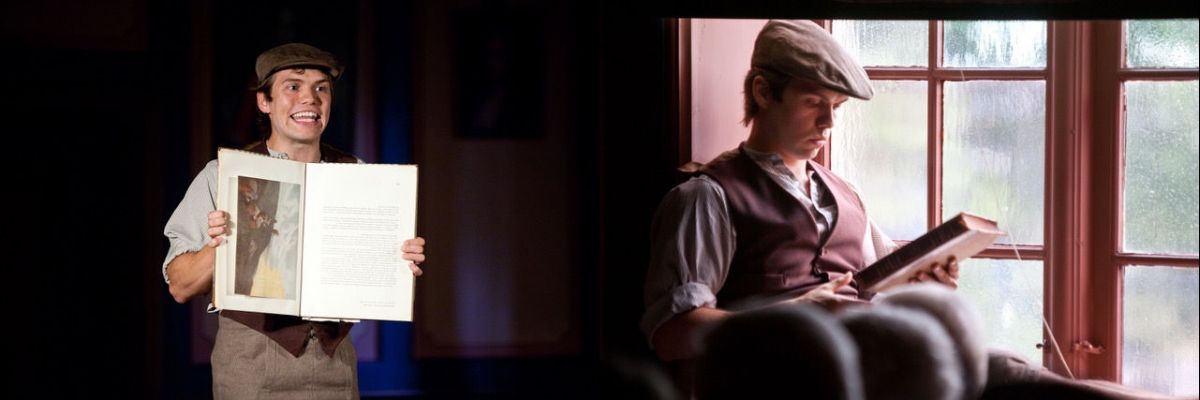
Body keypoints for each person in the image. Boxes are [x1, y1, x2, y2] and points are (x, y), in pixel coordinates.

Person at [641, 19, 959, 363]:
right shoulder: (706, 197)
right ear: (763, 92)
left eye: (836, 107)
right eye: (813, 102)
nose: (829, 122)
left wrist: (920, 289)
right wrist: (796, 314)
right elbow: (672, 334)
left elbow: (877, 291)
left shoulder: (847, 193)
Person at [162, 42, 426, 399]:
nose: (310, 98)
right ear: (264, 102)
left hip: (336, 366)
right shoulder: (224, 176)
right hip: (251, 364)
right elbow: (179, 285)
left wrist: (397, 258)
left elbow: (369, 270)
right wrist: (224, 242)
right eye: (293, 86)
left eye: (322, 88)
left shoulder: (359, 176)